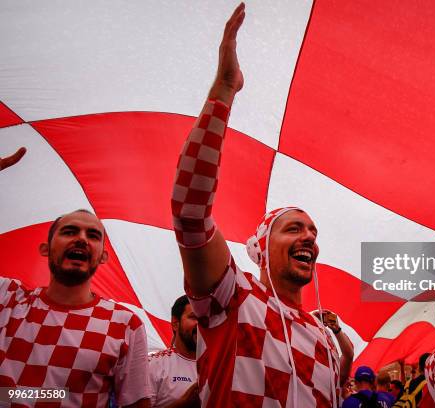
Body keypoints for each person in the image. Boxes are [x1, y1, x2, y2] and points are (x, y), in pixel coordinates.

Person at [171, 4, 342, 406]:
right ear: (262, 246)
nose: (309, 237)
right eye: (294, 227)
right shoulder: (235, 296)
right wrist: (224, 89)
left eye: (313, 231)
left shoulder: (325, 340)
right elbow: (190, 213)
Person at [0, 209, 151, 407]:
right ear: (45, 249)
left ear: (103, 256)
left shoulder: (125, 324)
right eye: (69, 232)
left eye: (93, 235)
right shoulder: (7, 297)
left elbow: (136, 404)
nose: (81, 239)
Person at [148, 295, 199, 407]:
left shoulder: (220, 366)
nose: (200, 324)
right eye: (194, 317)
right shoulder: (154, 364)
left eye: (204, 319)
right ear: (175, 324)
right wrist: (183, 404)